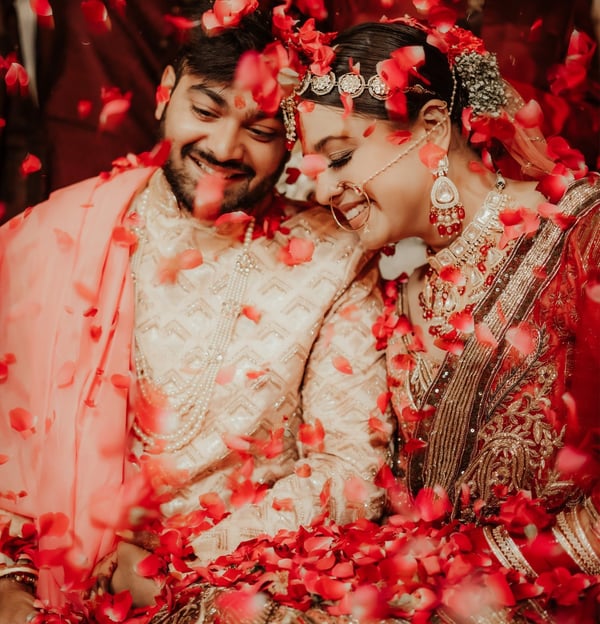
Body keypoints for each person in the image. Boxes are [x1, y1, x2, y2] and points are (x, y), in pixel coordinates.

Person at [170, 17, 599, 623]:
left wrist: (485, 585)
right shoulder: (393, 292)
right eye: (311, 168)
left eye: (339, 157)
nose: (320, 191)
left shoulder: (585, 238)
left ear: (429, 128)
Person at [0, 3, 391, 622]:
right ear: (163, 95)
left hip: (235, 591)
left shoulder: (332, 261)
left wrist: (181, 561)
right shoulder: (52, 237)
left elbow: (352, 471)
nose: (224, 147)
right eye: (205, 111)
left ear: (294, 139)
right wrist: (9, 584)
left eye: (261, 130)